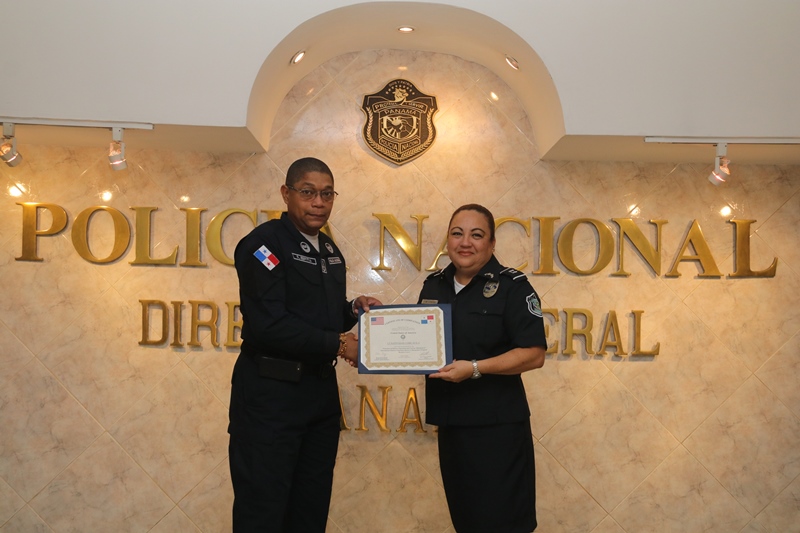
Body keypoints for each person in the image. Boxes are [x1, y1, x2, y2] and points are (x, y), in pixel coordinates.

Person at [228, 157, 381, 532]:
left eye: (327, 194)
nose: (318, 203)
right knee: (263, 511)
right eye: (308, 192)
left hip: (318, 398)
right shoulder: (263, 245)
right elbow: (269, 324)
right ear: (286, 193)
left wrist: (352, 310)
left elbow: (317, 316)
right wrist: (339, 344)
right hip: (271, 398)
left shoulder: (329, 250)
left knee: (310, 510)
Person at [418, 204, 547, 533]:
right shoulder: (433, 286)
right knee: (467, 521)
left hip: (497, 430)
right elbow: (417, 345)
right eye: (457, 233)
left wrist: (475, 368)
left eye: (476, 235)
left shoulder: (513, 287)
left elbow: (534, 354)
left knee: (503, 523)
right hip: (451, 425)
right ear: (447, 240)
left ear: (491, 243)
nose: (465, 242)